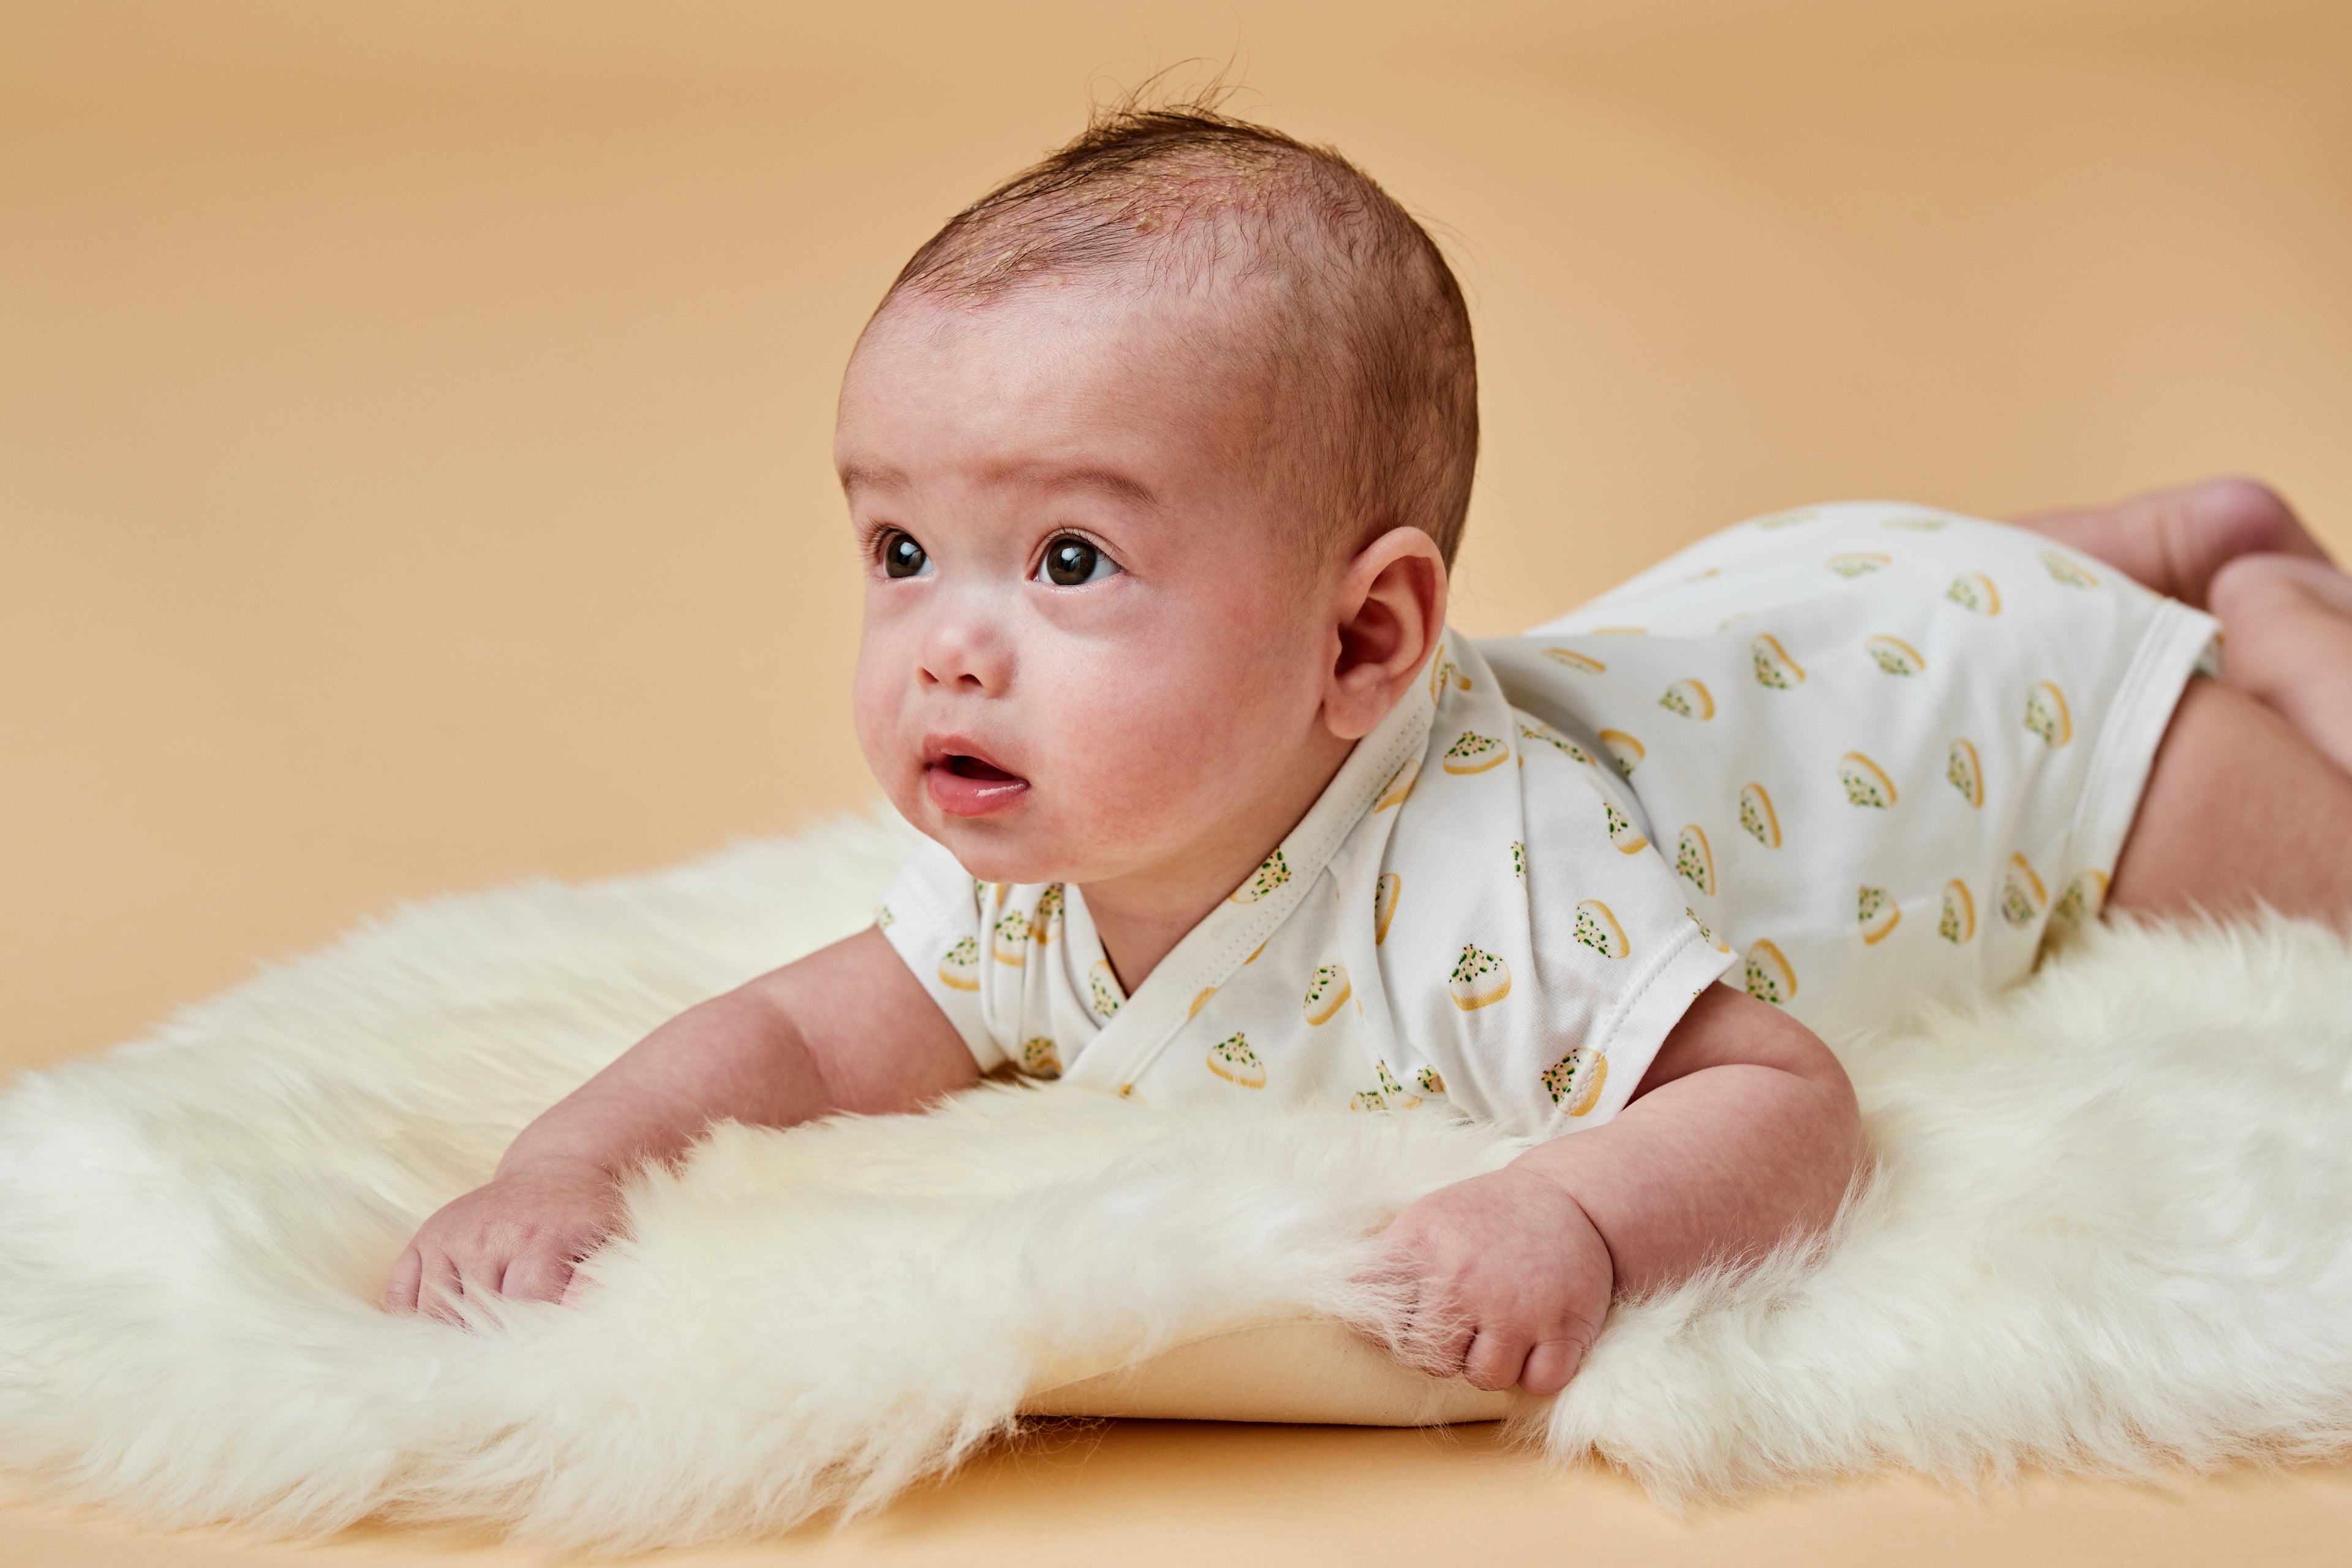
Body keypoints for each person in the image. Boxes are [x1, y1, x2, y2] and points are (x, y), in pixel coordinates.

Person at [383, 103, 2352, 1401]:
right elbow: (805, 1042)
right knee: (1795, 609)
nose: (946, 648)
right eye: (902, 549)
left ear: (1363, 640)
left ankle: (2228, 612)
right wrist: (573, 1166)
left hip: (1993, 718)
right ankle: (2169, 529)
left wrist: (1578, 1210)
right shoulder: (1039, 862)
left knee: (2298, 857)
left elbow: (1788, 1098)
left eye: (1067, 557)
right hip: (1777, 618)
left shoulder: (1504, 873)